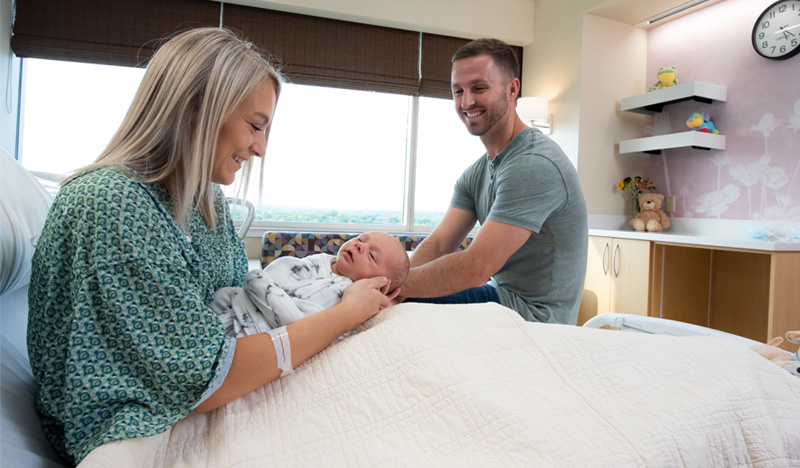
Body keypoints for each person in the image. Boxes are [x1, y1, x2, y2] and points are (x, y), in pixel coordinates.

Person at [26, 27, 397, 465]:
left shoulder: (208, 202)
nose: (260, 148)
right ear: (196, 108)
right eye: (256, 126)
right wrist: (345, 314)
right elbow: (208, 374)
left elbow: (239, 305)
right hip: (137, 423)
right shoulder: (113, 205)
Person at [400, 38, 588, 326]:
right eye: (458, 91)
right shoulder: (476, 173)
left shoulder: (534, 164)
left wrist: (391, 287)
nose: (466, 102)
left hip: (536, 320)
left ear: (512, 89)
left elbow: (476, 268)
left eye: (479, 88)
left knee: (397, 303)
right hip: (501, 299)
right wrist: (393, 279)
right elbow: (438, 245)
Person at [211, 231, 410, 338]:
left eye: (371, 255)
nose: (360, 245)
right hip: (245, 303)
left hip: (263, 329)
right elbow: (279, 274)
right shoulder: (319, 262)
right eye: (360, 238)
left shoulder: (353, 294)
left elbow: (316, 319)